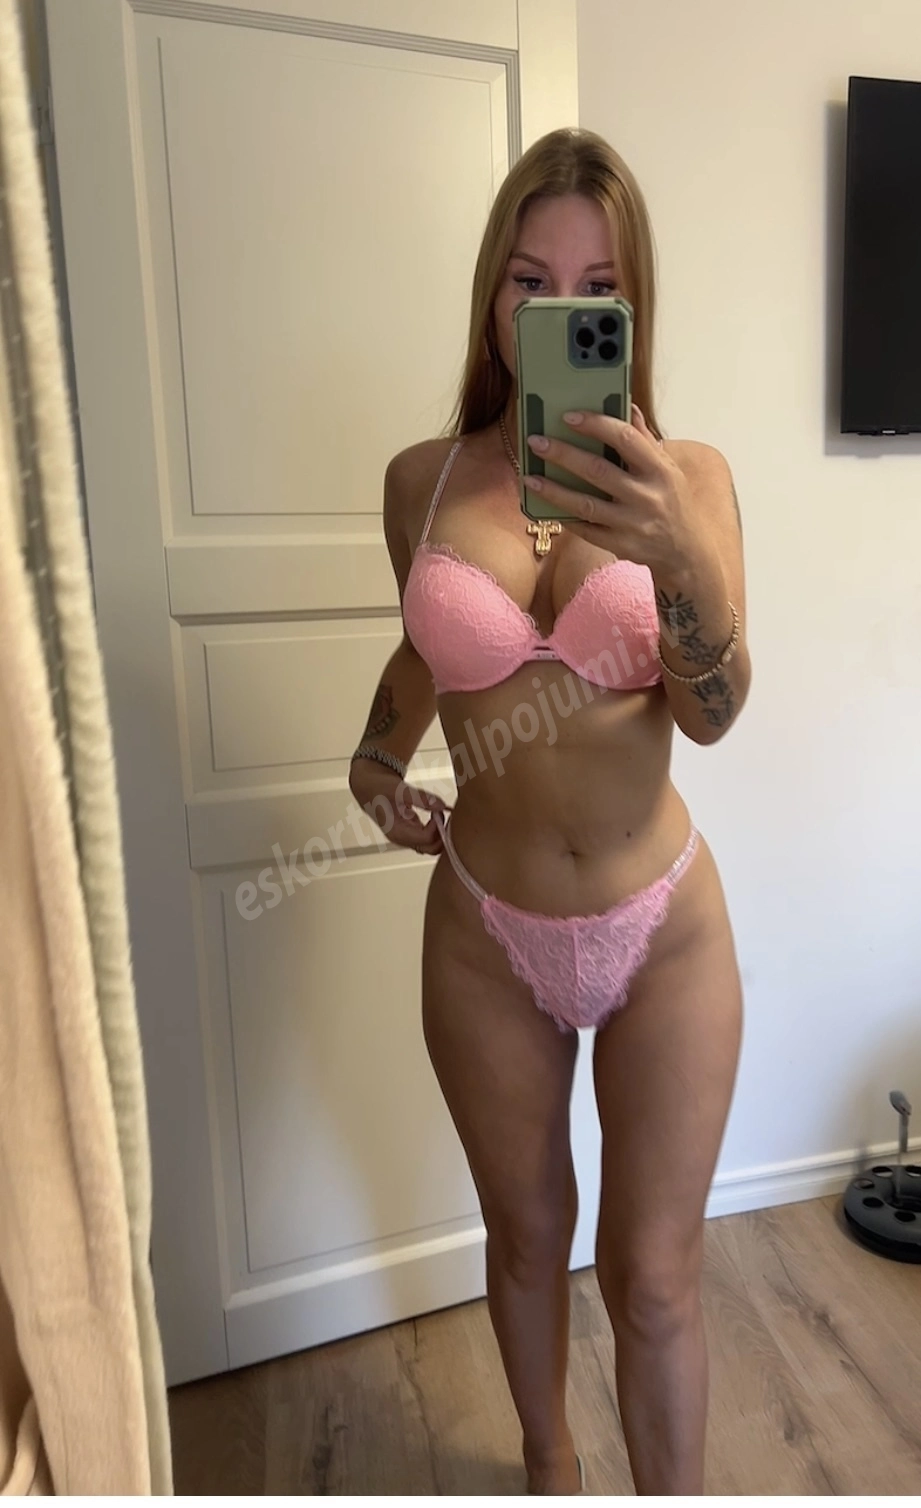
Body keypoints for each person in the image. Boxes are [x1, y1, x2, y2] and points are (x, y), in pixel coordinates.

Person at [348, 127, 749, 1496]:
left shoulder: (692, 482)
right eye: (530, 279)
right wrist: (376, 759)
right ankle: (549, 1468)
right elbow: (430, 648)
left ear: (632, 309)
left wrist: (676, 555)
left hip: (662, 928)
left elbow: (713, 707)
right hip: (485, 930)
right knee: (524, 1240)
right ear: (492, 293)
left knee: (654, 1277)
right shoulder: (420, 483)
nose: (557, 310)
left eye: (596, 287)